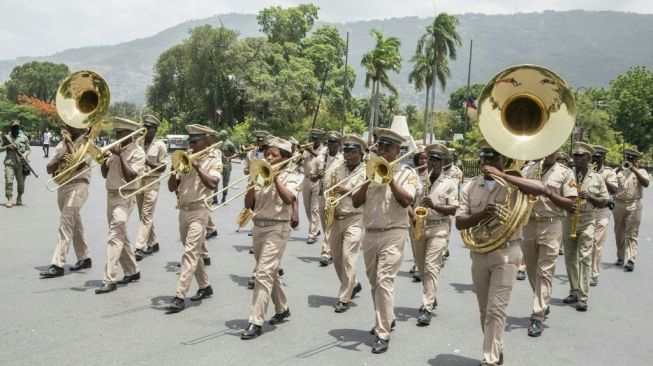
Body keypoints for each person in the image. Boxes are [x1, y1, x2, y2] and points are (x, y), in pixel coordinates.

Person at [455, 139, 547, 365]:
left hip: (507, 253)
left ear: (502, 161)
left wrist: (503, 175)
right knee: (485, 311)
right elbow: (460, 222)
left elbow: (540, 189)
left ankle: (490, 359)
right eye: (484, 158)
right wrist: (483, 215)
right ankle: (496, 347)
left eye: (493, 159)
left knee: (496, 310)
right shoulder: (470, 185)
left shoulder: (515, 183)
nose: (487, 163)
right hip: (479, 253)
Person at [351, 128, 418, 354]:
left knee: (383, 281)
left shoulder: (407, 173)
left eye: (388, 148)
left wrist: (388, 178)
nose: (382, 151)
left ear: (398, 150)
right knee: (373, 282)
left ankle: (382, 332)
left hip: (394, 232)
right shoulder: (367, 170)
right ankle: (387, 316)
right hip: (370, 232)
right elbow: (355, 201)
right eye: (380, 147)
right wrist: (368, 180)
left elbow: (407, 199)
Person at [241, 137, 300, 340]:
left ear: (284, 158)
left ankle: (256, 321)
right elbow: (248, 204)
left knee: (263, 273)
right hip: (258, 228)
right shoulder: (259, 176)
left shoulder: (293, 175)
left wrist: (274, 177)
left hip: (278, 228)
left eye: (274, 155)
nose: (268, 157)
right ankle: (282, 309)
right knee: (270, 271)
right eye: (268, 154)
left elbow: (289, 198)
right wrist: (252, 181)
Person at [165, 124, 222, 312]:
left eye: (196, 142)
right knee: (193, 251)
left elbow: (213, 183)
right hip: (183, 210)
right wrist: (177, 170)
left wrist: (197, 166)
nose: (192, 145)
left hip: (200, 210)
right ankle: (205, 286)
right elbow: (171, 187)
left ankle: (180, 295)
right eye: (190, 142)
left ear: (207, 140)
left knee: (189, 252)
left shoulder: (215, 158)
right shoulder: (185, 157)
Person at [520, 151, 576, 337]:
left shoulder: (565, 172)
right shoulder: (528, 168)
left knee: (545, 271)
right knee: (531, 269)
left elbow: (570, 204)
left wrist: (547, 192)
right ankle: (543, 301)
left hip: (552, 224)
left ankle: (537, 315)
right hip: (528, 224)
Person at [95, 118, 145, 294]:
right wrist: (103, 159)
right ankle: (132, 270)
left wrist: (121, 156)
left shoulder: (137, 152)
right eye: (116, 133)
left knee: (115, 235)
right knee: (120, 235)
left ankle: (109, 279)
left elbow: (131, 176)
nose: (117, 136)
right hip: (111, 196)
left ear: (130, 135)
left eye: (121, 134)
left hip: (125, 197)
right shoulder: (115, 151)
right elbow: (104, 174)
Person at [410, 143, 458, 326]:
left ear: (444, 162)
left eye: (438, 160)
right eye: (431, 159)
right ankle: (431, 295)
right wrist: (412, 217)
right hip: (420, 225)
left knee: (431, 267)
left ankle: (426, 307)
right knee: (421, 269)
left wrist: (434, 205)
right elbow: (409, 203)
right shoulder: (417, 180)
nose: (433, 163)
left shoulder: (450, 184)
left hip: (439, 227)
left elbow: (453, 209)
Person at [39, 125, 93, 278]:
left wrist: (69, 144)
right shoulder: (60, 145)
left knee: (65, 223)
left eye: (72, 124)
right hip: (62, 186)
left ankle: (58, 264)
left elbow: (81, 164)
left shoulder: (88, 142)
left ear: (79, 126)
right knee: (74, 223)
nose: (68, 127)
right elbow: (49, 169)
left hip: (79, 184)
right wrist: (60, 160)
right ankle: (85, 257)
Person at [562, 142, 608, 311]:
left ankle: (583, 296)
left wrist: (590, 197)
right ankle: (573, 290)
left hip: (588, 219)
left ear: (589, 158)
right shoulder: (566, 175)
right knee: (569, 257)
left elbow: (604, 201)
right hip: (568, 218)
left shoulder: (597, 178)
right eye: (575, 156)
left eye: (581, 156)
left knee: (585, 257)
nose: (577, 159)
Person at [324, 134, 366, 313]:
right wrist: (330, 196)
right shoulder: (338, 169)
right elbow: (327, 190)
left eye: (352, 152)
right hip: (336, 218)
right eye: (346, 152)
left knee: (349, 257)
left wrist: (347, 191)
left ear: (361, 154)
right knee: (337, 258)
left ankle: (344, 297)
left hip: (355, 218)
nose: (348, 156)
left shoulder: (367, 172)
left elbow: (361, 199)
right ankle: (353, 284)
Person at [133, 115, 168, 261]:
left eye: (148, 128)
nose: (145, 130)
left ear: (155, 130)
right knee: (143, 215)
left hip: (152, 182)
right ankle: (153, 242)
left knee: (146, 214)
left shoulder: (160, 145)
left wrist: (147, 161)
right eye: (144, 127)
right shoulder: (138, 142)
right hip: (138, 181)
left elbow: (163, 167)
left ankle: (139, 247)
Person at [613, 148, 649, 272]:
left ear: (636, 160)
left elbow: (646, 183)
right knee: (619, 233)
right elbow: (610, 182)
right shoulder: (619, 171)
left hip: (634, 204)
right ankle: (620, 257)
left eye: (631, 158)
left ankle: (631, 260)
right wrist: (619, 169)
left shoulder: (641, 171)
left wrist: (634, 170)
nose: (629, 160)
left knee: (632, 233)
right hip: (619, 204)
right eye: (627, 158)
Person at [313, 131, 344, 266]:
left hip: (335, 196)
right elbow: (311, 177)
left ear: (338, 144)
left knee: (330, 223)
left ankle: (326, 252)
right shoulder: (320, 158)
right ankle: (333, 248)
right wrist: (318, 176)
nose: (330, 144)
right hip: (321, 194)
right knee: (326, 224)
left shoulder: (343, 159)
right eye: (329, 142)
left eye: (333, 142)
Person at [590, 146, 617, 285]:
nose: (596, 160)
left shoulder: (609, 172)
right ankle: (584, 271)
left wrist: (600, 177)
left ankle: (594, 273)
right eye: (594, 157)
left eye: (599, 158)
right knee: (585, 242)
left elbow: (614, 189)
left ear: (603, 158)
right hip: (588, 209)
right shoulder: (585, 169)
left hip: (603, 210)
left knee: (597, 242)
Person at [302, 129, 327, 244]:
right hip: (306, 179)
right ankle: (315, 229)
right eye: (312, 138)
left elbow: (322, 160)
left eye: (315, 139)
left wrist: (312, 152)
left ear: (319, 139)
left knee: (314, 209)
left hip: (317, 180)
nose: (313, 141)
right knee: (307, 207)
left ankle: (312, 233)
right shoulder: (306, 149)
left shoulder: (324, 149)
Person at [1, 121, 31, 208]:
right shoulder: (6, 138)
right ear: (11, 128)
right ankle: (10, 198)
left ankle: (19, 196)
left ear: (19, 128)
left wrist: (24, 155)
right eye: (14, 127)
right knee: (9, 181)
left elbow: (29, 149)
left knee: (21, 184)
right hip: (9, 163)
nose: (15, 129)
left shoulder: (24, 138)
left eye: (17, 127)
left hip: (21, 164)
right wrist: (6, 147)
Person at [409, 149, 428, 281]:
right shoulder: (411, 174)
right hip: (413, 211)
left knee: (426, 241)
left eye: (426, 159)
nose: (424, 161)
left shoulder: (431, 174)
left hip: (427, 212)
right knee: (414, 240)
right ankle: (417, 264)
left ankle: (424, 265)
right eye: (421, 159)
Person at [215, 130, 238, 204]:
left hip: (226, 166)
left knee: (225, 183)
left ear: (225, 136)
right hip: (218, 165)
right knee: (215, 181)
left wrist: (229, 158)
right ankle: (214, 199)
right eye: (220, 137)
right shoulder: (219, 144)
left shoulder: (229, 144)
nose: (221, 138)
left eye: (222, 137)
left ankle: (223, 199)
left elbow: (237, 153)